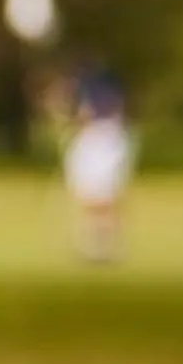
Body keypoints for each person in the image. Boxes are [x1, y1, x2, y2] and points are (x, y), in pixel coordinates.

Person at [61, 68, 135, 264]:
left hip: (103, 143)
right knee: (92, 200)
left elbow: (89, 115)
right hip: (94, 142)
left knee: (103, 200)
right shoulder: (91, 89)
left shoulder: (100, 96)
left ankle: (104, 248)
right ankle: (95, 247)